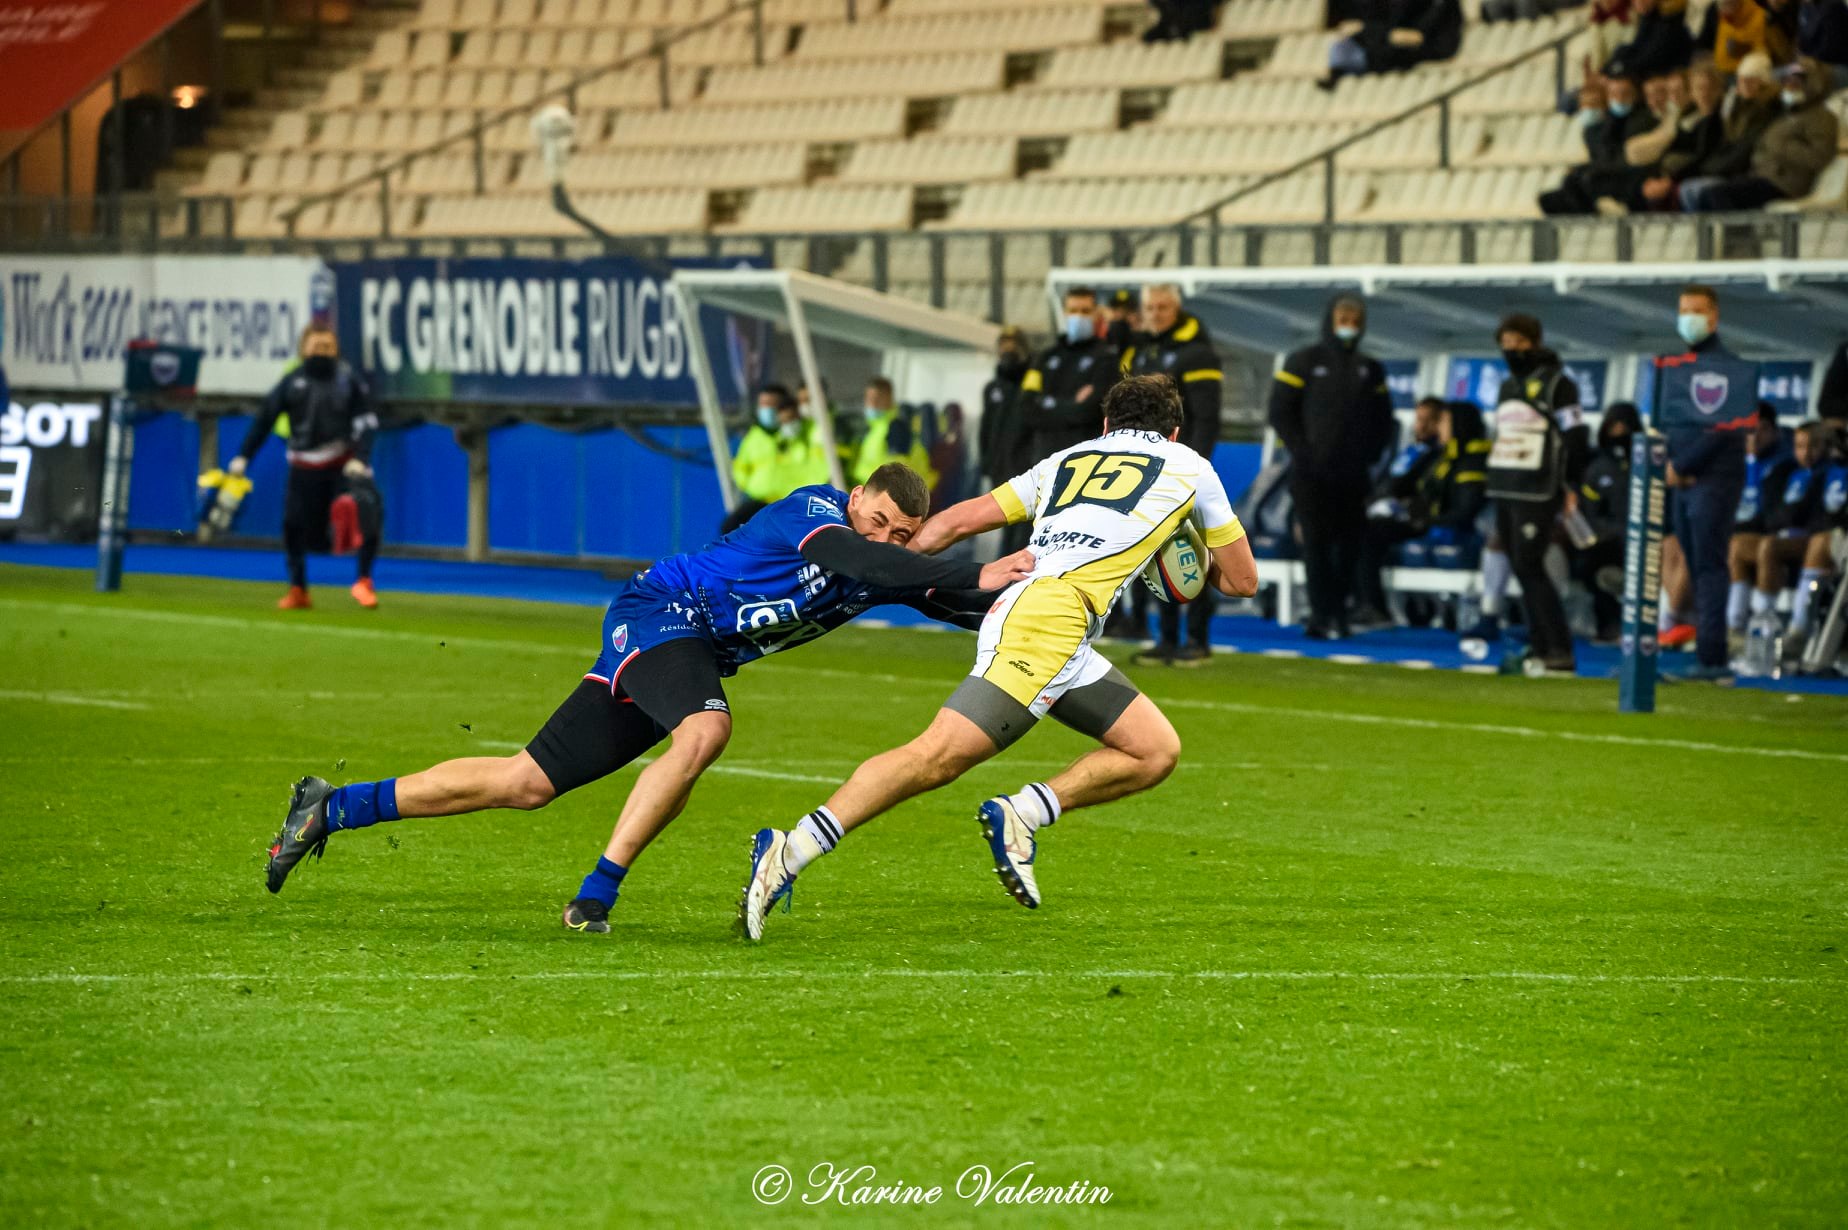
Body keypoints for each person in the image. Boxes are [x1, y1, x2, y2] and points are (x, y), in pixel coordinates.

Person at [261, 464, 1035, 932]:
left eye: (904, 534)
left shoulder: (879, 564)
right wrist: (969, 569)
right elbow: (877, 563)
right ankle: (596, 897)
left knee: (525, 782)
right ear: (858, 494)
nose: (888, 541)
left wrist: (1035, 592)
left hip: (680, 650)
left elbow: (935, 593)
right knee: (704, 733)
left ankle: (331, 806)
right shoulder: (820, 513)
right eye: (881, 522)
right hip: (662, 615)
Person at [737, 376, 1260, 940]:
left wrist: (889, 564)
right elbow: (1242, 581)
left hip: (1037, 611)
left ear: (1104, 426)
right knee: (936, 757)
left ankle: (1024, 814)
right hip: (1051, 621)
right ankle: (790, 851)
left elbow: (958, 522)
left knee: (1153, 751)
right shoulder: (1192, 467)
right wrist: (1186, 556)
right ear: (1175, 431)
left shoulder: (1069, 458)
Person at [1267, 293, 1397, 639]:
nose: (1348, 327)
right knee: (1316, 546)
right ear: (1330, 319)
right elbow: (1280, 411)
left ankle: (1341, 611)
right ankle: (1322, 615)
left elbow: (1384, 420)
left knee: (1350, 548)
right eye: (1343, 319)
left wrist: (1369, 456)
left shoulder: (1370, 369)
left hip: (1353, 477)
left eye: (1355, 321)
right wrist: (1303, 451)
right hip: (1311, 475)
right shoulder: (1303, 361)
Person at [231, 324, 382, 611]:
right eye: (316, 347)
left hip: (342, 465)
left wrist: (360, 458)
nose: (321, 352)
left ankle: (363, 581)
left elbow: (367, 423)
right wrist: (243, 456)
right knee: (293, 526)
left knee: (368, 512)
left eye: (327, 347)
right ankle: (298, 589)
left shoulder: (348, 381)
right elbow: (264, 419)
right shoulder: (291, 382)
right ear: (303, 350)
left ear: (336, 350)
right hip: (303, 467)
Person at [1122, 283, 1225, 665]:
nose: (1155, 313)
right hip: (1146, 468)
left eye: (1163, 307)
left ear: (1177, 309)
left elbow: (1207, 416)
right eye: (1150, 307)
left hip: (1182, 467)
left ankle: (1197, 639)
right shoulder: (1141, 350)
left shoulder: (1197, 352)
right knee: (1156, 553)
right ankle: (1166, 638)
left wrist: (1192, 467)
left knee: (1196, 554)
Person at [1484, 312, 1590, 676]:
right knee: (1520, 566)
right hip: (1505, 485)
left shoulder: (1559, 384)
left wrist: (1571, 485)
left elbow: (1575, 436)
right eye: (1506, 343)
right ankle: (1541, 646)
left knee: (1531, 566)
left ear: (1535, 342)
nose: (1511, 349)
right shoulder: (1506, 386)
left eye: (1519, 342)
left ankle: (1558, 648)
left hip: (1539, 488)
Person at [1659, 284, 1749, 681]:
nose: (1687, 318)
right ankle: (1705, 650)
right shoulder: (1682, 366)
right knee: (1697, 567)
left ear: (1713, 317)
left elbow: (1726, 428)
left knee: (1710, 567)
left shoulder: (1729, 366)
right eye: (1682, 310)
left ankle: (1714, 659)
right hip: (1684, 479)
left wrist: (1682, 464)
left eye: (1695, 310)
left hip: (1712, 478)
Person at [1680, 58, 1839, 211]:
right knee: (1705, 196)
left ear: (1811, 85)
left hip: (1785, 182)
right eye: (1788, 82)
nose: (1788, 87)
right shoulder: (1785, 113)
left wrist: (1782, 146)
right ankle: (1715, 237)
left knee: (1716, 194)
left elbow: (1820, 157)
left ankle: (1739, 237)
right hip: (1761, 176)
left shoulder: (1821, 117)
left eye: (1795, 83)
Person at [1353, 395, 1448, 625]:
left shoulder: (1440, 456)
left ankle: (1374, 607)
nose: (1422, 426)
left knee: (1368, 535)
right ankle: (1353, 603)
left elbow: (1415, 490)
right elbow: (1386, 483)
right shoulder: (1408, 452)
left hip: (1414, 519)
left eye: (1429, 420)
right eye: (1418, 419)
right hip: (1387, 515)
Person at [1749, 421, 1838, 654]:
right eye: (1799, 446)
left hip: (1824, 540)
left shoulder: (1829, 472)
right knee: (1745, 546)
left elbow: (1819, 515)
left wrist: (1792, 517)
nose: (1805, 453)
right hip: (1794, 538)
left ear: (1827, 447)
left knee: (1815, 542)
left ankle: (1800, 628)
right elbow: (1776, 515)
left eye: (1813, 446)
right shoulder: (1790, 474)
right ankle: (1753, 624)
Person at [1019, 285, 1122, 464]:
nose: (1079, 316)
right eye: (1073, 310)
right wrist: (1072, 404)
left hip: (1086, 461)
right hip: (1045, 460)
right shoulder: (1044, 358)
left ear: (1096, 315)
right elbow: (1026, 407)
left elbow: (1089, 411)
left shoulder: (1107, 359)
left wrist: (1047, 403)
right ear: (1065, 313)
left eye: (1085, 311)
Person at [1667, 53, 1782, 207]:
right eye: (1742, 80)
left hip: (1745, 172)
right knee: (1688, 189)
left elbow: (1743, 149)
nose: (1745, 84)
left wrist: (1707, 171)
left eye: (1751, 80)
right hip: (1726, 170)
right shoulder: (1735, 108)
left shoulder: (1767, 110)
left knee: (1699, 189)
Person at [1540, 72, 1660, 214]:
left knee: (1583, 180)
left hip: (1630, 178)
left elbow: (1623, 160)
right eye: (1615, 94)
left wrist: (1587, 169)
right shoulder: (1606, 123)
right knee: (1550, 198)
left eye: (1625, 93)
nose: (1620, 99)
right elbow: (1603, 154)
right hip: (1607, 174)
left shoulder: (1641, 120)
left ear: (1636, 95)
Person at [1573, 401, 1643, 643]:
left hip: (1645, 539)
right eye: (1614, 426)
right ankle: (1610, 626)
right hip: (1609, 541)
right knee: (1590, 562)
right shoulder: (1597, 466)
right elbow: (1591, 514)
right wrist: (1613, 532)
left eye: (1624, 426)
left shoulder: (1648, 464)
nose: (1619, 432)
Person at [1726, 403, 1798, 636]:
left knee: (1743, 546)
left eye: (1762, 429)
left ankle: (1750, 624)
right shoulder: (1730, 461)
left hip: (1773, 537)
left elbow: (1775, 515)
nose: (1754, 436)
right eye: (1749, 429)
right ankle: (1677, 621)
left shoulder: (1785, 465)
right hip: (1736, 534)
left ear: (1775, 431)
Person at [721, 383, 829, 534]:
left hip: (794, 502)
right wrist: (753, 486)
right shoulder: (755, 436)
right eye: (763, 404)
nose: (767, 410)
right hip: (762, 499)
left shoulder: (804, 432)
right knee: (731, 528)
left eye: (771, 405)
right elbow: (740, 467)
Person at [978, 325, 1034, 555]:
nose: (1008, 351)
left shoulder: (1031, 386)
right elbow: (986, 430)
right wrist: (987, 466)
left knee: (1023, 535)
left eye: (1014, 346)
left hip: (1026, 471)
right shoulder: (993, 388)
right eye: (1004, 346)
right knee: (1007, 534)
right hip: (1001, 473)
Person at [1322, 0, 1463, 88]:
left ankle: (1355, 65)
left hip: (1433, 45)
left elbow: (1416, 35)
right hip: (1396, 40)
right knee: (1342, 46)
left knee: (1383, 52)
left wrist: (1366, 28)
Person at [851, 376, 937, 489]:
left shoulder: (896, 428)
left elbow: (897, 476)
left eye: (877, 398)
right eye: (868, 398)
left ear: (889, 399)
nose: (872, 403)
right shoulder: (876, 429)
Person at [1696, 0, 1788, 74]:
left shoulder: (1762, 15)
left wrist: (1747, 49)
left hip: (1752, 73)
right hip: (1721, 71)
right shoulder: (1717, 12)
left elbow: (1780, 51)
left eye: (1729, 3)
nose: (1723, 10)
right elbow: (1702, 45)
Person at [1798, 0, 1848, 87]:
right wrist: (1802, 54)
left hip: (1837, 66)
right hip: (1818, 63)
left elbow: (1831, 44)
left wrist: (1811, 58)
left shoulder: (1832, 5)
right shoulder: (1806, 6)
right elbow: (1803, 35)